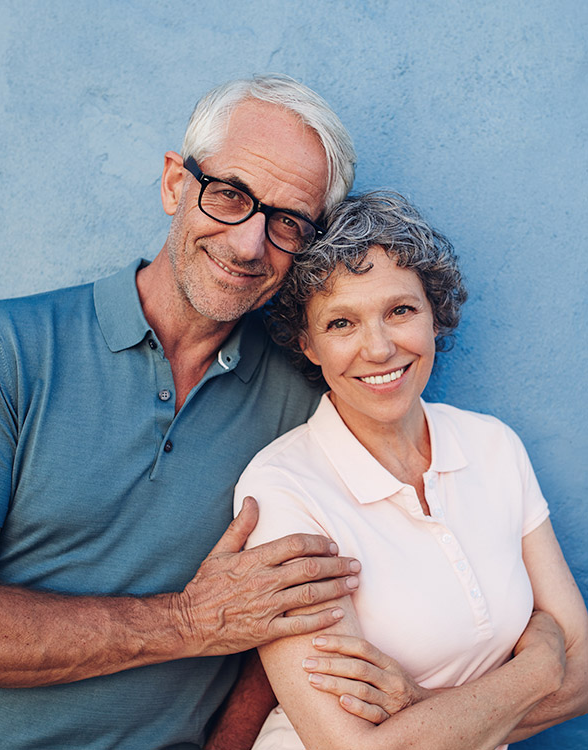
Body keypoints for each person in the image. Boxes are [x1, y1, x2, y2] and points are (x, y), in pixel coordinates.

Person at [0, 74, 368, 750]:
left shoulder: (307, 398)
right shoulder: (13, 348)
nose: (250, 245)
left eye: (287, 224)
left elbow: (289, 614)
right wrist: (188, 623)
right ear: (174, 185)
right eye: (229, 195)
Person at [234, 191, 588, 749]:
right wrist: (539, 666)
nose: (378, 348)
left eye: (400, 311)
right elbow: (354, 748)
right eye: (342, 323)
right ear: (307, 344)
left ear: (434, 315)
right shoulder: (282, 490)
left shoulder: (493, 446)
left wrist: (426, 712)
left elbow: (585, 671)